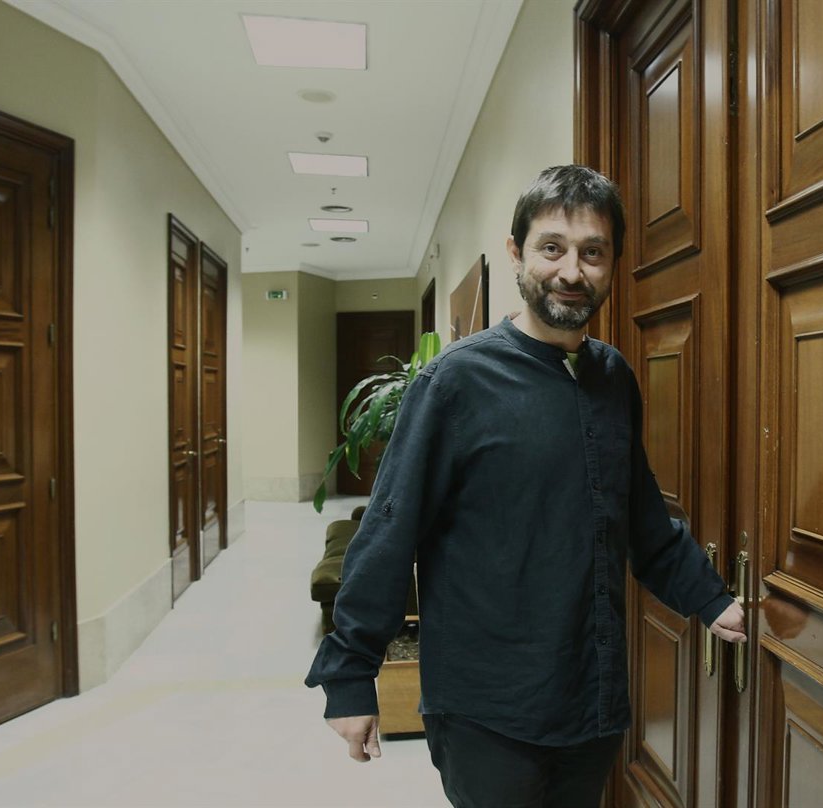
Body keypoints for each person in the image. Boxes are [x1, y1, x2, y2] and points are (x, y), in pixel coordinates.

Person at [305, 165, 746, 808]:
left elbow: (641, 517)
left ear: (612, 263)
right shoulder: (455, 383)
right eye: (552, 248)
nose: (572, 271)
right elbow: (390, 528)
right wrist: (350, 674)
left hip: (590, 696)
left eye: (592, 252)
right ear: (517, 253)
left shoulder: (613, 378)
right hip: (487, 710)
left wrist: (711, 600)